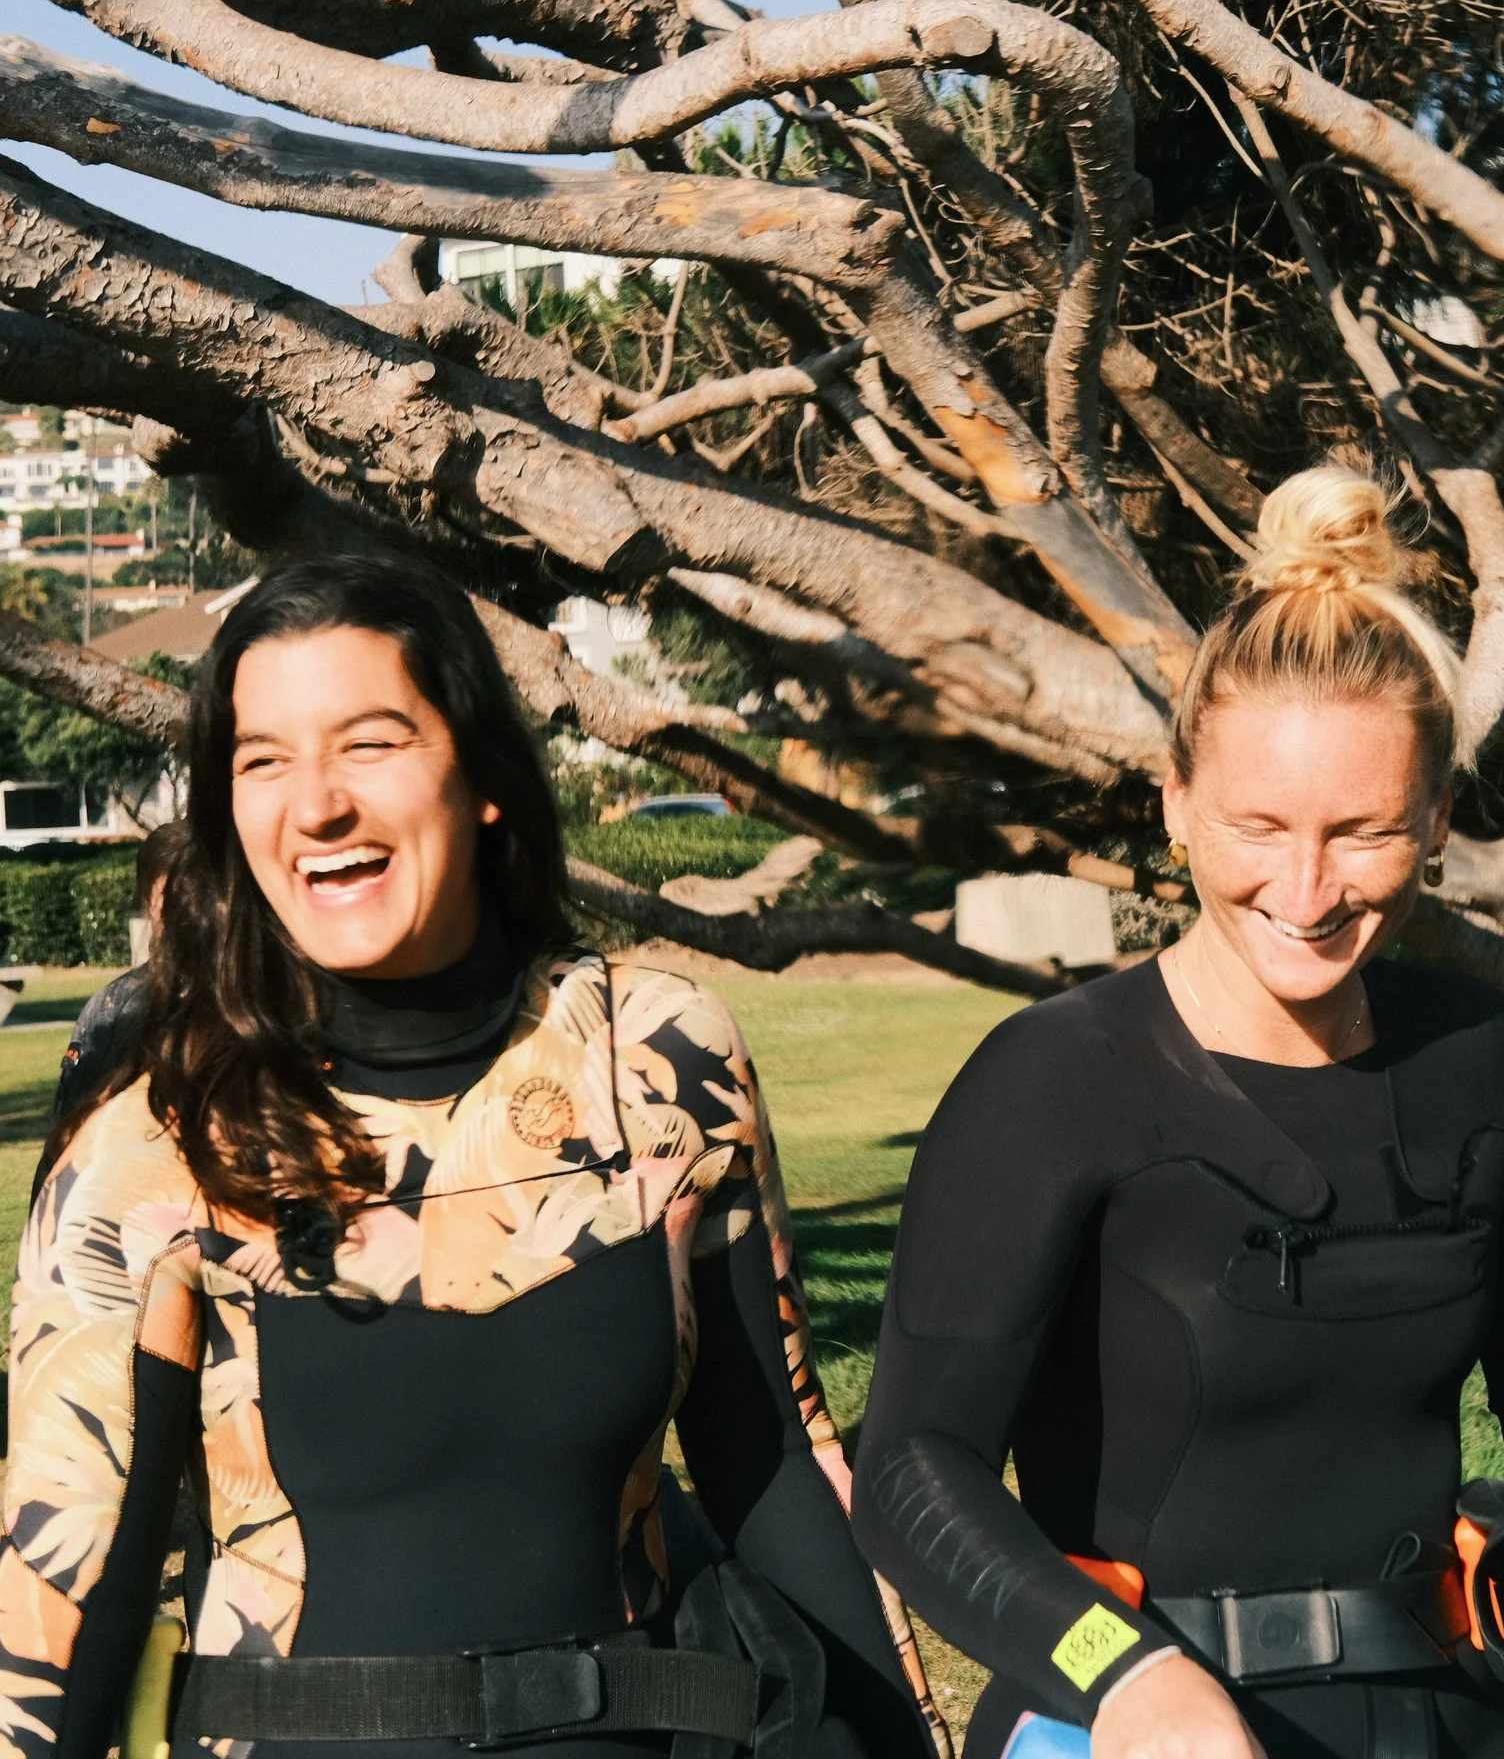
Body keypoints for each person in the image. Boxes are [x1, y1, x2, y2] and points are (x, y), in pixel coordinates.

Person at [0, 554, 933, 1759]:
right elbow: (66, 1597)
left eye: (371, 743)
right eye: (263, 760)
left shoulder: (651, 1059)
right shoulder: (158, 1137)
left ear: (483, 775)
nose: (317, 804)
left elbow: (774, 1467)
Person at [849, 466, 1504, 1759]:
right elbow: (911, 1472)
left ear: (1440, 820)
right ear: (1176, 804)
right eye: (1258, 826)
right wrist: (1125, 1677)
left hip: (1437, 1716)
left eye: (1364, 831)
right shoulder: (1054, 1080)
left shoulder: (1476, 1058)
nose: (1308, 888)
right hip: (1122, 1724)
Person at [42, 817, 183, 1176]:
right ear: (148, 900)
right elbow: (67, 1131)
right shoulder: (120, 1003)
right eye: (174, 895)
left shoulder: (261, 994)